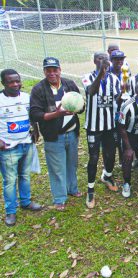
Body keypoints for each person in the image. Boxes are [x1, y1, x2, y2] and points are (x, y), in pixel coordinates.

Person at [30, 57, 83, 211]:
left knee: (71, 164)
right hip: (54, 136)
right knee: (57, 168)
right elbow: (35, 114)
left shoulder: (69, 84)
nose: (52, 73)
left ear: (60, 70)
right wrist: (56, 113)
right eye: (48, 70)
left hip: (72, 133)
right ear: (44, 71)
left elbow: (80, 104)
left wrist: (78, 107)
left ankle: (72, 189)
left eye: (55, 69)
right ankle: (60, 198)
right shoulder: (39, 89)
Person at [0, 69, 42, 226]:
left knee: (24, 175)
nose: (15, 84)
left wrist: (36, 131)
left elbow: (32, 117)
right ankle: (10, 211)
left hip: (26, 143)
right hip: (8, 148)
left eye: (17, 80)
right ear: (3, 83)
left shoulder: (26, 98)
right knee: (10, 180)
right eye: (11, 81)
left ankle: (25, 201)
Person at [82, 52, 121, 209]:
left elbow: (116, 98)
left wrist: (122, 94)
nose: (102, 61)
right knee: (93, 157)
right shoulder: (87, 77)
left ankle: (107, 176)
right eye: (99, 59)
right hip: (93, 126)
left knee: (110, 154)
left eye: (105, 59)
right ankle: (90, 190)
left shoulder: (114, 79)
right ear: (94, 61)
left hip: (109, 125)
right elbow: (92, 91)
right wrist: (101, 74)